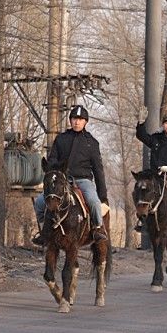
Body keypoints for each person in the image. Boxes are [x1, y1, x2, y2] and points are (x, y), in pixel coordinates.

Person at [32, 105, 109, 245]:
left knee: (94, 202)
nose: (77, 122)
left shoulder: (92, 143)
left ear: (86, 122)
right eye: (74, 119)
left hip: (83, 180)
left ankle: (98, 229)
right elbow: (53, 158)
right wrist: (55, 169)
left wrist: (103, 195)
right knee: (39, 202)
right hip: (63, 180)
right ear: (70, 120)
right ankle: (44, 230)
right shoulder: (61, 139)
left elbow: (98, 169)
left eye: (80, 119)